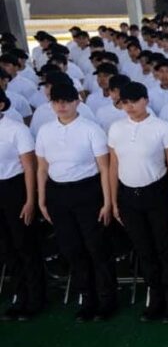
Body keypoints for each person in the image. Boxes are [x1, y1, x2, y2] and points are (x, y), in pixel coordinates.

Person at [35, 82, 115, 321]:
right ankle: (87, 299)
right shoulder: (45, 130)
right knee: (72, 249)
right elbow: (42, 168)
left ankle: (106, 301)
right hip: (58, 194)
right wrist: (41, 199)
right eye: (56, 101)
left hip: (88, 192)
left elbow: (104, 168)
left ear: (77, 102)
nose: (61, 105)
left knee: (96, 248)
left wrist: (108, 202)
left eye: (66, 101)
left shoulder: (91, 129)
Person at [107, 82, 168, 322]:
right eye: (125, 102)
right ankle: (155, 300)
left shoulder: (162, 128)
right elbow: (113, 166)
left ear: (146, 100)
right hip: (128, 196)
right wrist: (114, 201)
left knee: (164, 250)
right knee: (144, 251)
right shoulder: (116, 128)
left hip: (157, 194)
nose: (129, 106)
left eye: (134, 101)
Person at [0, 89, 41, 320]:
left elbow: (29, 167)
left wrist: (30, 200)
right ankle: (19, 295)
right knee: (6, 248)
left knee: (25, 245)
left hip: (15, 189)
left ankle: (35, 298)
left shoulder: (17, 129)